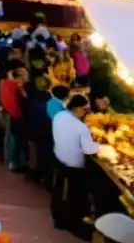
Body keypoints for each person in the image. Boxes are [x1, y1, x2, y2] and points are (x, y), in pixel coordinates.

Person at [51, 94, 101, 236]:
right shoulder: (81, 127)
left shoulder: (59, 116)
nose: (86, 112)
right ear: (77, 108)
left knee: (59, 192)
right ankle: (74, 224)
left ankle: (58, 219)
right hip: (75, 167)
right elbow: (89, 149)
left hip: (59, 159)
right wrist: (102, 146)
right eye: (85, 109)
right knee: (76, 196)